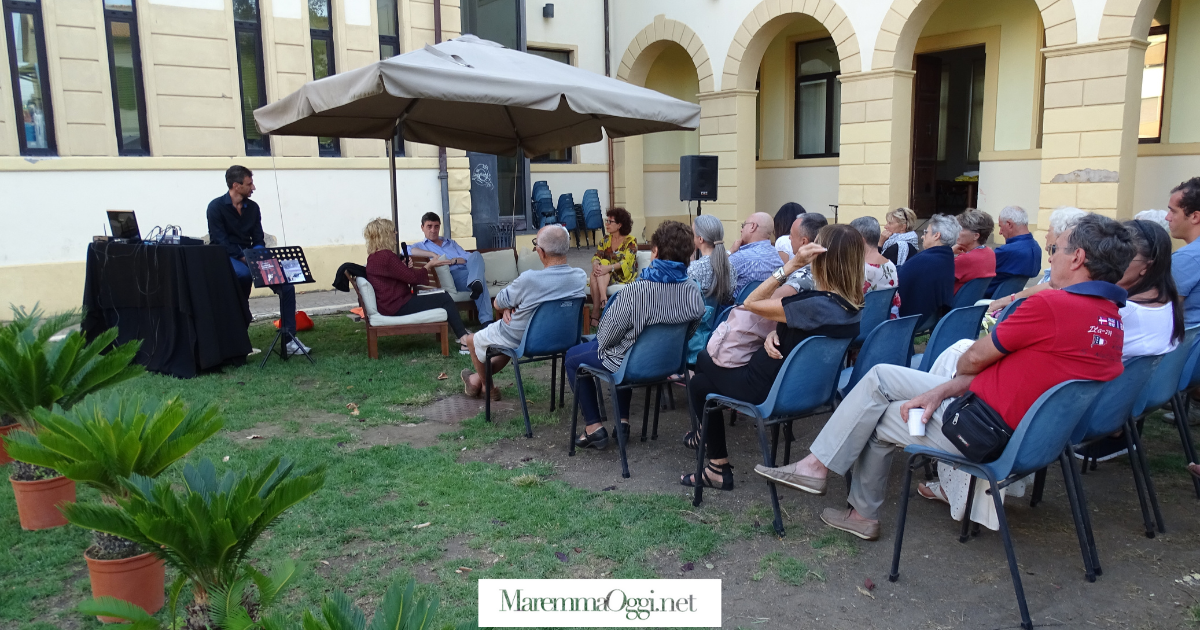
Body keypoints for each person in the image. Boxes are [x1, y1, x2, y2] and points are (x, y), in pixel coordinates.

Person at [754, 214, 1133, 540]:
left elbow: (972, 359)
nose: (1051, 256)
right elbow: (1022, 374)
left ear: (1078, 258)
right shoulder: (1112, 319)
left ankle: (859, 513)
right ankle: (816, 466)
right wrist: (944, 389)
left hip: (982, 427)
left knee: (876, 418)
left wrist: (960, 379)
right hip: (1020, 426)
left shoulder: (1051, 305)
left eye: (1055, 250)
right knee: (880, 376)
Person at [680, 224, 863, 489]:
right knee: (701, 383)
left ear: (820, 259)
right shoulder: (852, 307)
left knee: (703, 361)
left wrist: (790, 266)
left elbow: (751, 303)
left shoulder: (811, 305)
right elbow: (806, 335)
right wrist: (777, 331)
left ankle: (712, 455)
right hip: (808, 390)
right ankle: (714, 461)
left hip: (764, 388)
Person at [568, 221, 705, 450]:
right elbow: (689, 332)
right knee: (627, 345)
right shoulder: (693, 289)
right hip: (668, 364)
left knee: (573, 357)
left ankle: (593, 427)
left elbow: (605, 339)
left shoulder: (635, 292)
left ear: (655, 252)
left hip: (631, 365)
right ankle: (622, 422)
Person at [460, 225, 587, 399]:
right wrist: (512, 306)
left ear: (541, 252)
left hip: (525, 339)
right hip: (563, 338)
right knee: (508, 342)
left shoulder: (529, 279)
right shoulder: (579, 277)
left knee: (472, 340)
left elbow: (497, 303)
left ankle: (487, 388)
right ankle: (475, 379)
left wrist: (508, 306)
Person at [207, 165, 308, 355]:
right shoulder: (215, 207)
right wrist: (245, 258)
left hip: (252, 256)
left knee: (286, 286)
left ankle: (289, 341)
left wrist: (258, 256)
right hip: (228, 256)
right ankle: (237, 340)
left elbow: (258, 237)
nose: (253, 187)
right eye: (249, 184)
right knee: (243, 276)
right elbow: (220, 241)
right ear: (236, 185)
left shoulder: (253, 207)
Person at [362, 218, 470, 346]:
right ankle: (464, 339)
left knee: (441, 295)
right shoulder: (387, 256)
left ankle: (462, 333)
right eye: (392, 231)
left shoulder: (373, 256)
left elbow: (398, 276)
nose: (395, 233)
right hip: (397, 305)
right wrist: (430, 264)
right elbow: (414, 279)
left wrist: (403, 267)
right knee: (444, 298)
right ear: (384, 235)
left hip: (389, 304)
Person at [987, 206, 1087, 313]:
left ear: (1063, 234)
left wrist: (1010, 299)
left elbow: (1051, 286)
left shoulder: (1065, 272)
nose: (1046, 235)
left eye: (1049, 230)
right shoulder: (1035, 247)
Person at [411, 212, 493, 326]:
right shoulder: (420, 246)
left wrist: (451, 261)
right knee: (480, 280)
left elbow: (467, 258)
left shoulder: (450, 243)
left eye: (436, 226)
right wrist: (432, 254)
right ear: (422, 227)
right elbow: (408, 251)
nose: (433, 230)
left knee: (476, 255)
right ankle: (487, 321)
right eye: (429, 226)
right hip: (451, 276)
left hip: (467, 272)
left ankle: (475, 282)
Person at [896, 214, 956, 322]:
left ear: (936, 235)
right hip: (929, 318)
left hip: (911, 319)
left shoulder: (925, 259)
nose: (923, 236)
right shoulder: (947, 257)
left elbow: (898, 280)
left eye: (926, 232)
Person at [588, 207, 638, 329]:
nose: (607, 224)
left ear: (619, 225)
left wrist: (608, 268)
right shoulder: (605, 240)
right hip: (605, 275)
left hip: (622, 275)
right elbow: (597, 256)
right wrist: (596, 264)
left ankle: (595, 314)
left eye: (610, 222)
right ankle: (603, 301)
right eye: (607, 221)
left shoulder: (630, 241)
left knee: (599, 270)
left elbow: (626, 262)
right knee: (599, 267)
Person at [986, 206, 1042, 298]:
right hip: (1006, 300)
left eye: (1000, 227)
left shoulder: (1006, 251)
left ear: (1009, 224)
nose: (1000, 232)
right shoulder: (1036, 248)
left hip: (984, 301)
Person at [850, 216, 901, 318]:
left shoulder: (858, 269)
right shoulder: (891, 265)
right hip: (885, 321)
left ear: (860, 240)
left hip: (861, 324)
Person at [1166, 177, 1200, 327]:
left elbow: (1163, 310)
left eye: (1173, 211)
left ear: (1195, 217)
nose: (1167, 217)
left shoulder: (1187, 257)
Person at [729, 212, 783, 297]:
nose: (741, 230)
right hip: (768, 304)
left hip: (739, 304)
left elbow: (711, 274)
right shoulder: (777, 257)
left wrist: (730, 251)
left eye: (743, 226)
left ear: (752, 227)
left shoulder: (739, 257)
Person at [688, 214, 737, 306]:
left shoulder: (693, 269)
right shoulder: (730, 267)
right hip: (723, 315)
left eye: (692, 234)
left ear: (700, 239)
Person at [952, 209, 996, 293]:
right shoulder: (990, 253)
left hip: (950, 300)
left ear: (976, 236)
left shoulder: (965, 259)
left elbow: (935, 276)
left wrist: (948, 252)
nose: (956, 232)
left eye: (961, 229)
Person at [782, 213, 829, 291]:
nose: (789, 238)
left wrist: (787, 268)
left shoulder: (801, 277)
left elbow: (761, 297)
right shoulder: (830, 266)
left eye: (792, 235)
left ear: (803, 241)